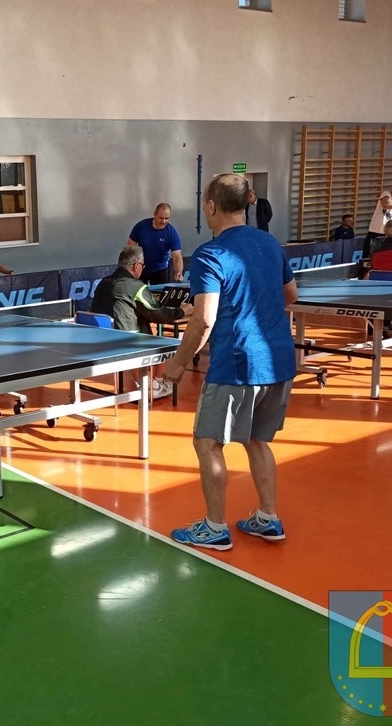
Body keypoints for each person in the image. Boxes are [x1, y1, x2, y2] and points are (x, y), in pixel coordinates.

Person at [162, 174, 297, 551]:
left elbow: (203, 319)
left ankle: (215, 527)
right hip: (278, 360)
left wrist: (178, 363)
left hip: (237, 362)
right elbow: (290, 294)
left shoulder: (210, 253)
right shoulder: (269, 243)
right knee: (257, 440)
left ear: (210, 206)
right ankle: (268, 518)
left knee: (207, 443)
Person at [90, 245, 193, 399]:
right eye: (143, 265)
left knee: (143, 326)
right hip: (125, 343)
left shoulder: (103, 282)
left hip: (100, 340)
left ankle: (149, 380)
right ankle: (155, 385)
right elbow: (160, 315)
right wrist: (183, 311)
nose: (143, 268)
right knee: (166, 341)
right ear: (136, 266)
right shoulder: (136, 287)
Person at [127, 202, 184, 285]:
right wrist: (132, 267)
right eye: (161, 218)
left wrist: (178, 271)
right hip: (141, 268)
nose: (164, 221)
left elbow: (177, 256)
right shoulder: (140, 227)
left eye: (167, 218)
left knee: (159, 292)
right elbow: (130, 247)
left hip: (161, 269)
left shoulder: (172, 233)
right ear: (154, 214)